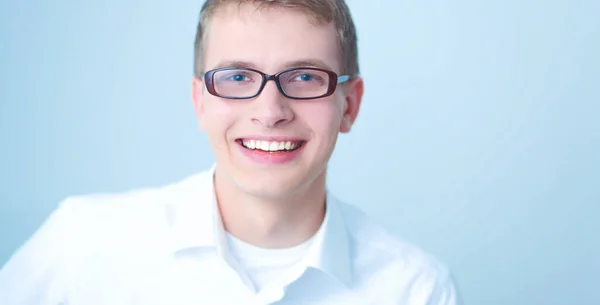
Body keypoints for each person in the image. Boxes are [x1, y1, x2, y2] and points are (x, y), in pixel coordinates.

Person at [0, 0, 461, 304]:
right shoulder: (83, 242)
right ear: (200, 101)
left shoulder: (414, 289)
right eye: (238, 77)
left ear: (350, 105)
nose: (270, 111)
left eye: (304, 77)